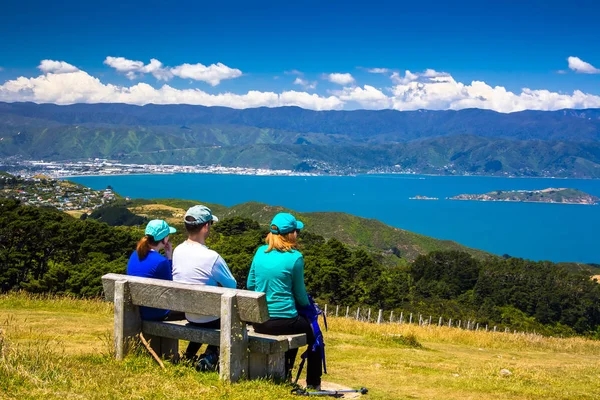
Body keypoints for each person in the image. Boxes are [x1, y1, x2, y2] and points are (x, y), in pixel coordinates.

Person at [247, 212, 322, 389]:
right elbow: (300, 295)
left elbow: (250, 285)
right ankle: (313, 383)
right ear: (291, 234)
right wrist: (309, 308)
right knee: (315, 335)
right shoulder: (295, 258)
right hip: (284, 319)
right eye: (297, 231)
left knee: (297, 325)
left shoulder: (259, 253)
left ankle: (286, 373)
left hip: (260, 322)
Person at [172, 205, 237, 371]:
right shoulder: (212, 257)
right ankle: (210, 355)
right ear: (206, 226)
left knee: (204, 312)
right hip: (210, 317)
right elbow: (232, 286)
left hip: (189, 314)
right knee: (225, 314)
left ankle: (189, 357)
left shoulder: (178, 251)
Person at [127, 219, 181, 321]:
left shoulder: (134, 254)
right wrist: (169, 258)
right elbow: (171, 291)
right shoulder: (161, 262)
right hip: (156, 313)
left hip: (139, 310)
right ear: (164, 239)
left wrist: (167, 256)